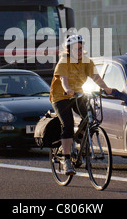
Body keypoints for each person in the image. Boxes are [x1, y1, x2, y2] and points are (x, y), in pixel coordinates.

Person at [49, 35, 112, 175]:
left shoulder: (86, 61)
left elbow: (96, 77)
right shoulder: (63, 62)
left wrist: (106, 88)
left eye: (80, 47)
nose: (79, 50)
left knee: (90, 119)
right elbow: (64, 80)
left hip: (78, 94)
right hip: (61, 96)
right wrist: (67, 90)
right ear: (68, 50)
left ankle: (78, 140)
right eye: (75, 48)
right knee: (68, 124)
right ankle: (66, 160)